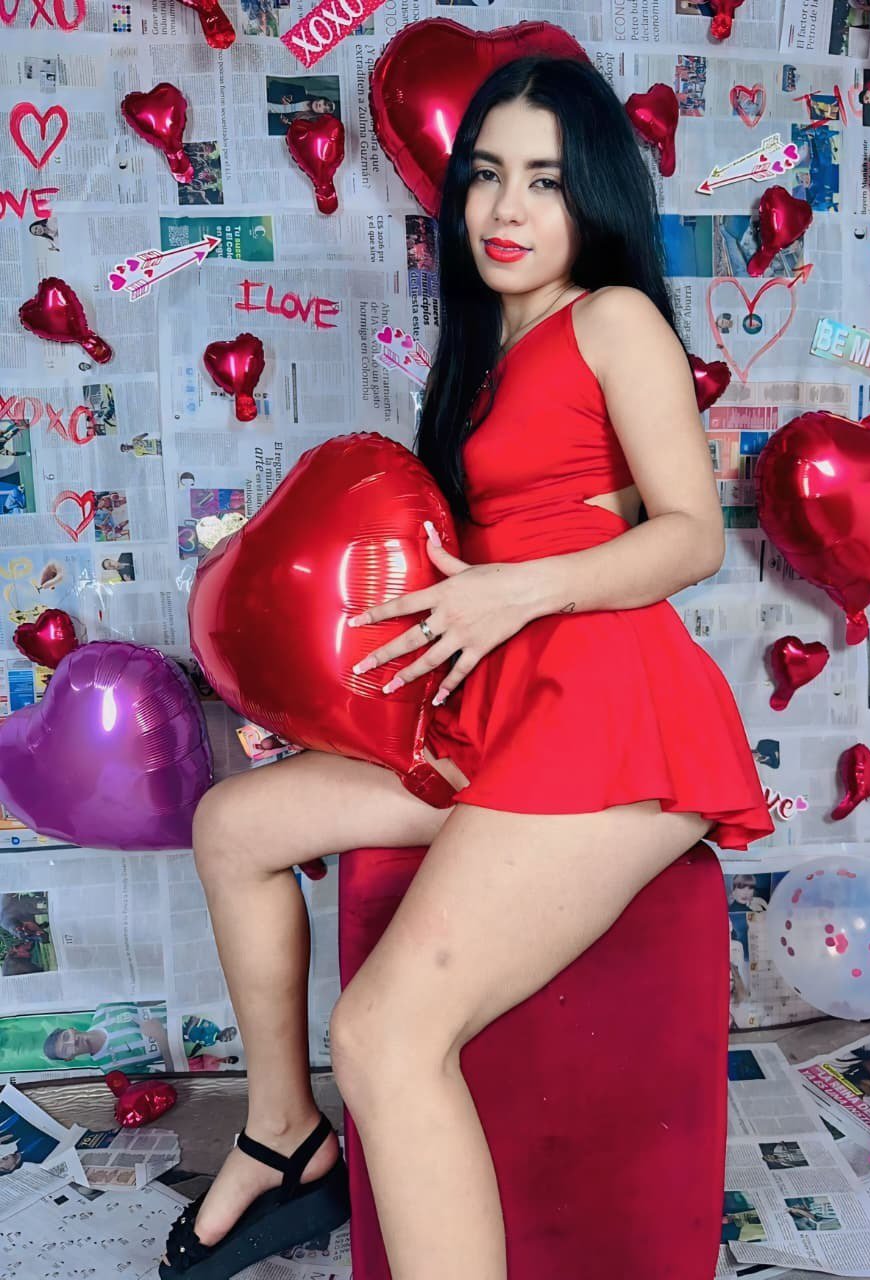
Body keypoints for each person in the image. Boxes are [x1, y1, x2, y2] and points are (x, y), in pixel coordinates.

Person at [161, 56, 774, 1278]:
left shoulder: (613, 318)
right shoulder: (487, 349)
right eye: (488, 174)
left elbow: (692, 535)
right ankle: (285, 1135)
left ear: (593, 196)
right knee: (235, 824)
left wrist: (516, 588)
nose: (506, 207)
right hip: (502, 711)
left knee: (386, 1034)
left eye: (545, 180)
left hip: (609, 716)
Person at [43, 1001, 174, 1073]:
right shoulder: (113, 1069)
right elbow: (173, 1078)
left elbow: (148, 997)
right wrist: (161, 1038)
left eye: (66, 1036)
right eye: (66, 1049)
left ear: (72, 1029)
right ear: (69, 1058)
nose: (72, 1042)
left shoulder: (104, 1008)